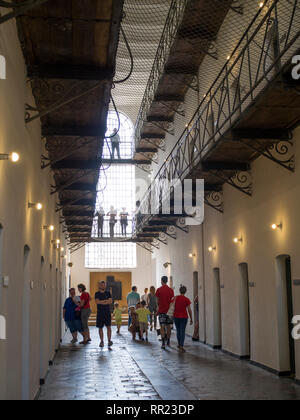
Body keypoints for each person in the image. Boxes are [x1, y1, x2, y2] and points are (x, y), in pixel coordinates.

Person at [156, 276, 174, 349]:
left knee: (162, 327)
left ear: (161, 281)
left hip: (162, 311)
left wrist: (158, 309)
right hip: (169, 311)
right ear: (167, 281)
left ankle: (163, 343)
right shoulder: (171, 290)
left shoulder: (159, 290)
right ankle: (168, 341)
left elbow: (157, 301)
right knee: (168, 326)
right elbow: (172, 301)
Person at [173, 286, 193, 352]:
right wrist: (191, 318)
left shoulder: (175, 298)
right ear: (185, 291)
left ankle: (179, 344)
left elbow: (171, 305)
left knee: (178, 331)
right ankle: (181, 346)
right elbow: (189, 310)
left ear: (179, 290)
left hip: (176, 316)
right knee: (182, 331)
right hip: (184, 317)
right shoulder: (186, 299)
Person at [95, 281, 113, 348]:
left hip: (107, 312)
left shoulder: (108, 293)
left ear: (105, 286)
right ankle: (102, 341)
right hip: (100, 313)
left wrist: (101, 302)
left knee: (108, 327)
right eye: (101, 285)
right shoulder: (97, 293)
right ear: (99, 286)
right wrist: (105, 301)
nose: (103, 286)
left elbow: (110, 301)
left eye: (104, 285)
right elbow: (97, 302)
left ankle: (109, 341)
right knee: (100, 328)